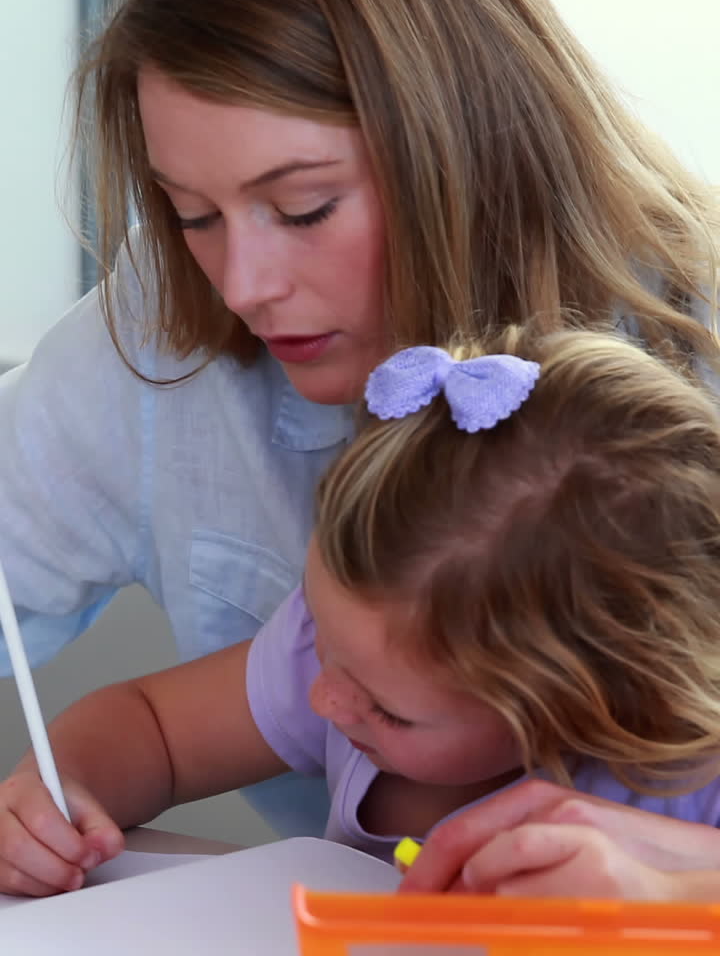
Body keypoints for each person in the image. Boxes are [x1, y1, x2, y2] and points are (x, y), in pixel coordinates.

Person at [1, 0, 718, 841]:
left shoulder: (683, 377)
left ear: (464, 154)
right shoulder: (166, 307)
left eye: (305, 209)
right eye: (192, 214)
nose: (241, 288)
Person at [4, 326, 720, 901]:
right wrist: (61, 790)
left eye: (390, 711)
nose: (323, 695)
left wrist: (674, 893)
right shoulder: (347, 655)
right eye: (320, 637)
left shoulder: (688, 775)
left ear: (587, 710)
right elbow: (152, 727)